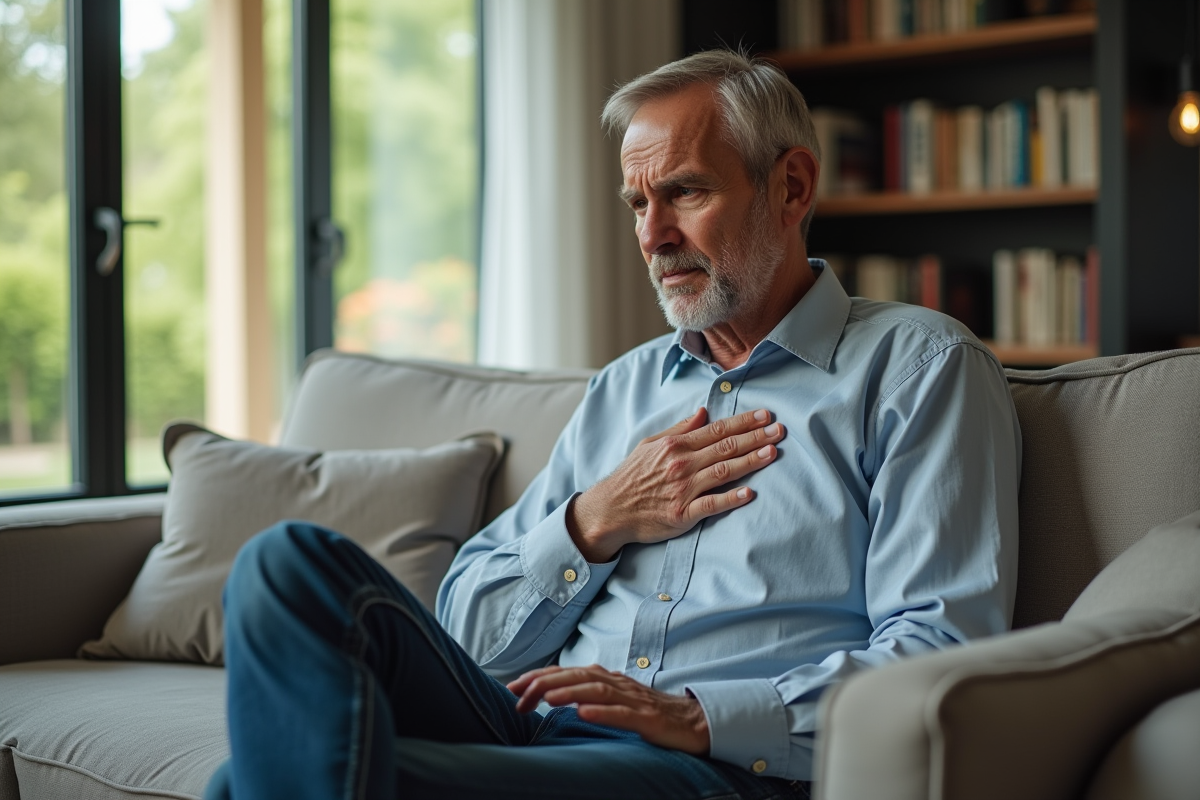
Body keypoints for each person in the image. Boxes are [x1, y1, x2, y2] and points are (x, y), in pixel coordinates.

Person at [205, 50, 1021, 800]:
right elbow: (468, 639)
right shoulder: (623, 388)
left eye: (685, 193)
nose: (653, 236)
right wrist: (595, 521)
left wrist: (699, 715)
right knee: (286, 565)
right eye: (638, 203)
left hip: (713, 767)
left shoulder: (918, 369)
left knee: (249, 784)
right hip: (530, 724)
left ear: (792, 187)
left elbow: (941, 651)